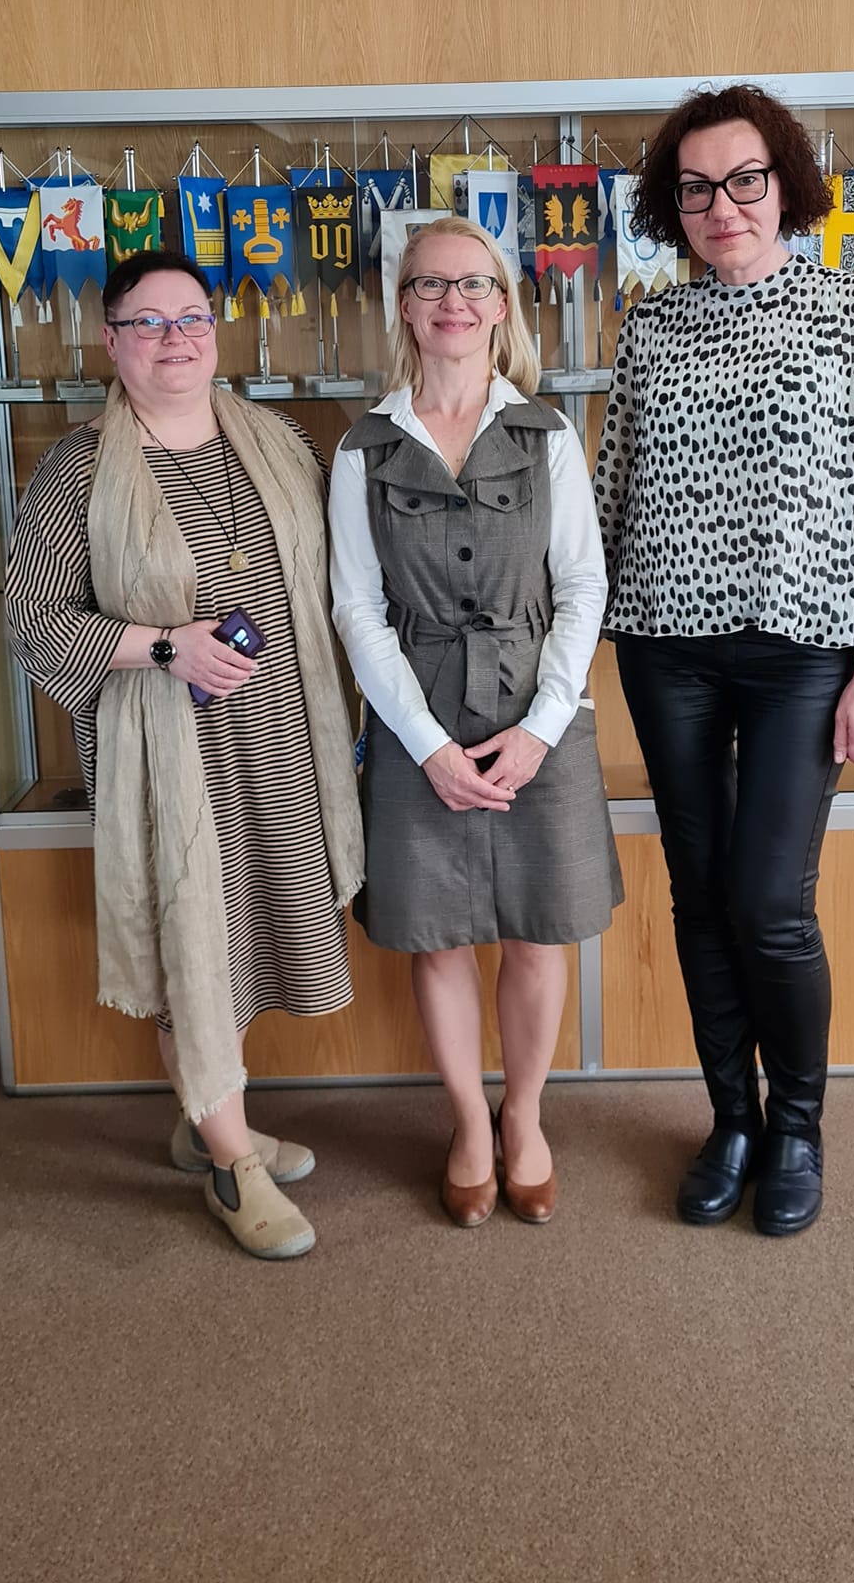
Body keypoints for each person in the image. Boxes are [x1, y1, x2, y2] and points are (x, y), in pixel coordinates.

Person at [594, 86, 854, 1237]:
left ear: (784, 182)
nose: (722, 204)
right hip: (665, 643)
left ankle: (797, 1124)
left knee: (768, 901)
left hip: (807, 647)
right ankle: (730, 1119)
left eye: (744, 179)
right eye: (696, 187)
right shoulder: (650, 326)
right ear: (672, 204)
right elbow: (615, 488)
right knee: (698, 892)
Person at [6, 248, 363, 1260]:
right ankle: (231, 1163)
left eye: (192, 318)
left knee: (241, 936)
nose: (175, 339)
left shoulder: (280, 440)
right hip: (170, 753)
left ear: (217, 330)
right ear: (110, 340)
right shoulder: (78, 468)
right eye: (149, 322)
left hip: (281, 740)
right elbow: (35, 622)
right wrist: (165, 645)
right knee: (190, 941)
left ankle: (207, 1116)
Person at [329, 216, 621, 1227]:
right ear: (404, 307)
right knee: (440, 938)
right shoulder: (363, 449)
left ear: (502, 306)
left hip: (543, 714)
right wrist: (426, 746)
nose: (452, 302)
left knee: (539, 934)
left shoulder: (547, 435)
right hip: (415, 723)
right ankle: (466, 1122)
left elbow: (582, 587)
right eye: (429, 284)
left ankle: (525, 1116)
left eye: (474, 284)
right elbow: (356, 609)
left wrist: (541, 727)